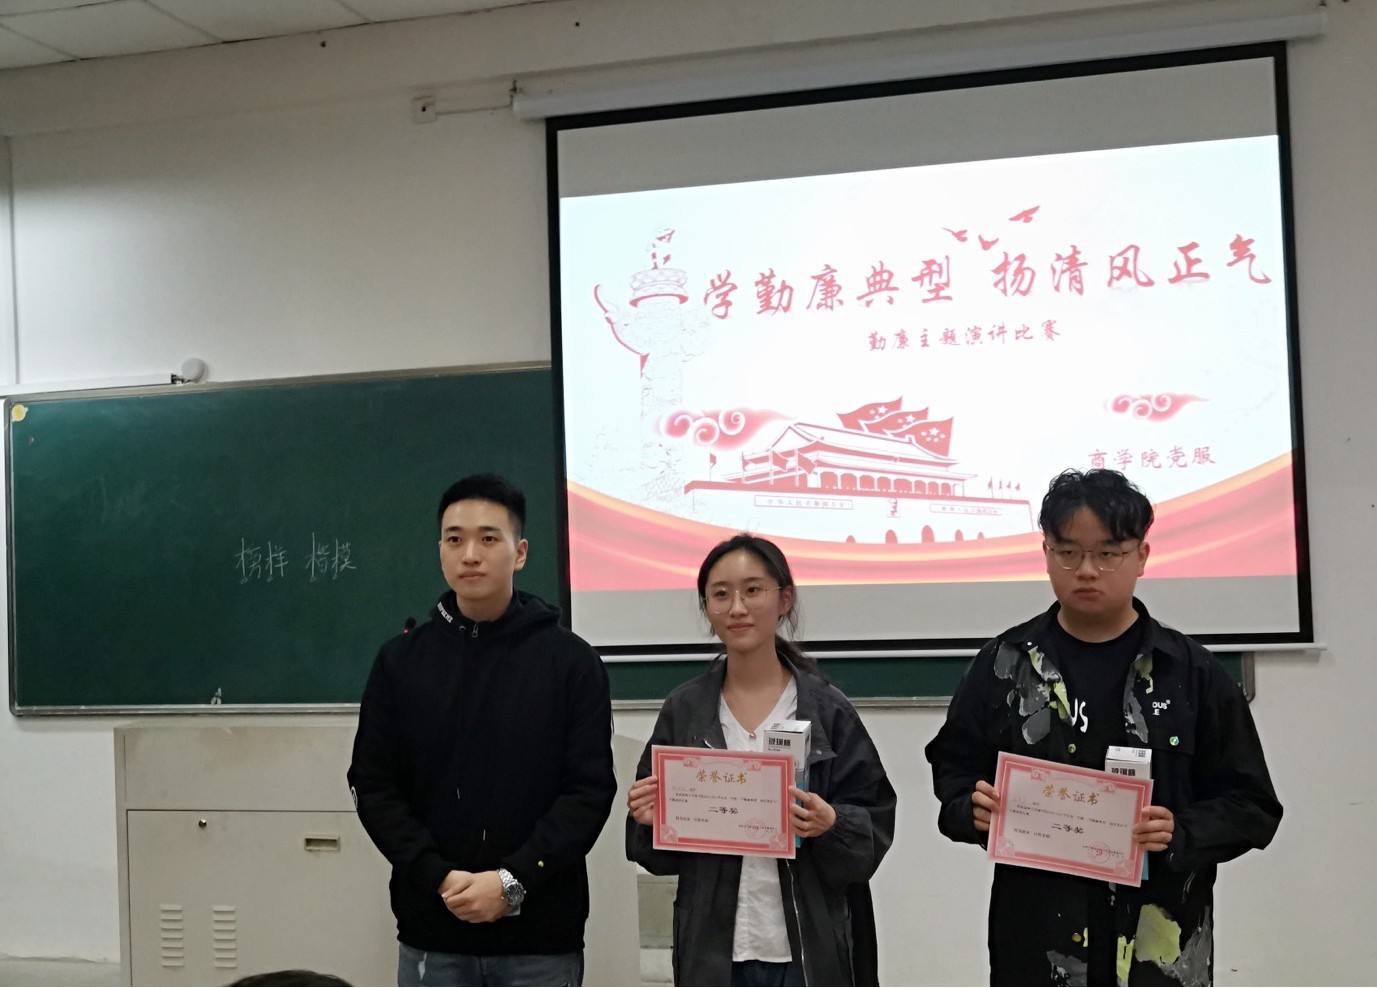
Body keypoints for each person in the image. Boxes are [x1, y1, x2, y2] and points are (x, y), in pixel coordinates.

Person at [925, 468, 1282, 986]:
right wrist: (970, 808)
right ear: (1046, 552)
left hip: (1157, 947)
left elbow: (1253, 806)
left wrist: (1181, 830)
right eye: (1068, 552)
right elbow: (954, 768)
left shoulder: (1192, 673)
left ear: (1142, 556)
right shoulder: (1004, 665)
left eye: (1108, 553)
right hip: (1037, 942)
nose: (1087, 570)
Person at [348, 474, 616, 987]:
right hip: (433, 930)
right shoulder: (401, 662)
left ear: (520, 553)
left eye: (488, 538)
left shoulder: (571, 663)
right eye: (455, 539)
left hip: (541, 938)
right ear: (440, 551)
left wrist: (513, 882)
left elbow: (588, 792)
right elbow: (374, 785)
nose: (470, 555)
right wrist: (438, 876)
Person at [626, 534, 896, 987]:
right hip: (714, 954)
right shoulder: (685, 711)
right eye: (720, 594)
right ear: (707, 608)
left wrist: (832, 824)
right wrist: (649, 820)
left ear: (784, 599)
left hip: (807, 952)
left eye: (753, 590)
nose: (737, 608)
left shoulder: (827, 710)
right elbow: (654, 855)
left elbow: (875, 828)